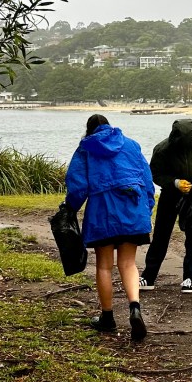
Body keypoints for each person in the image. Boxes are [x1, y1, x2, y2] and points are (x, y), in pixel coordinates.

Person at [65, 114, 154, 341]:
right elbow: (147, 179)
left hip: (102, 212)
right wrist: (147, 207)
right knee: (128, 263)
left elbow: (78, 186)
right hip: (132, 209)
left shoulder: (86, 149)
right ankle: (135, 307)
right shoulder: (131, 145)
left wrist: (70, 209)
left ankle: (108, 318)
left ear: (89, 129)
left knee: (105, 266)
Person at [139, 118, 192, 294]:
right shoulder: (162, 149)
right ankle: (149, 276)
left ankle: (189, 278)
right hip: (170, 195)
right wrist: (175, 183)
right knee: (161, 235)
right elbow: (155, 173)